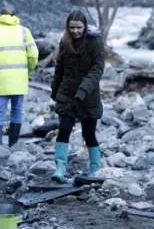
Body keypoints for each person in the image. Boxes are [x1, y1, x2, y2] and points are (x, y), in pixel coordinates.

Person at [50, 10, 105, 183]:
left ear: (85, 26)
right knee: (64, 129)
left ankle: (95, 168)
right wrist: (55, 90)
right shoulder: (64, 42)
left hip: (88, 96)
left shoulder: (95, 42)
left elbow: (97, 69)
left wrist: (83, 90)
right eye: (71, 27)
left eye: (78, 27)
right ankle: (60, 167)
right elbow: (59, 68)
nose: (75, 31)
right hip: (67, 95)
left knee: (89, 135)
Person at [0, 5, 39, 146]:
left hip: (0, 79)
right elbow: (34, 55)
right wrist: (27, 71)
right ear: (16, 16)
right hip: (19, 79)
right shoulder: (24, 32)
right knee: (16, 113)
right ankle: (14, 145)